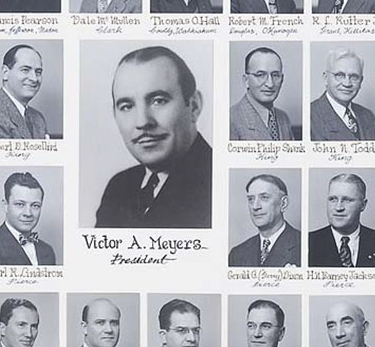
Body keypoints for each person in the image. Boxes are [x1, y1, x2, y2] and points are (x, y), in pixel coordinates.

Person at [96, 46, 212, 228]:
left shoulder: (215, 183)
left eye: (159, 100)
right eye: (127, 106)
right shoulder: (118, 188)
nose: (142, 121)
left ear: (194, 106)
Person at [308, 173, 375, 268]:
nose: (338, 208)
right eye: (333, 199)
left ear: (363, 205)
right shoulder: (309, 243)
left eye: (347, 200)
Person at [309, 47, 375, 141]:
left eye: (354, 77)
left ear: (361, 81)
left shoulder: (368, 116)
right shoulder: (310, 117)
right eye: (339, 75)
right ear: (326, 78)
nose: (347, 83)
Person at [228, 174, 301, 267]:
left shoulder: (302, 246)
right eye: (251, 199)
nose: (255, 206)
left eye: (264, 197)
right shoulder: (237, 254)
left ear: (283, 203)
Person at [0, 172, 57, 266]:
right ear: (5, 206)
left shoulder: (47, 251)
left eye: (35, 205)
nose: (28, 213)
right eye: (20, 204)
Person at [229, 47, 294, 141]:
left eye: (275, 75)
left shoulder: (283, 118)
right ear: (246, 80)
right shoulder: (230, 120)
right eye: (260, 75)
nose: (270, 84)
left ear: (282, 79)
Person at [0, 45, 50, 139]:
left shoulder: (38, 118)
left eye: (38, 72)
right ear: (5, 73)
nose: (34, 79)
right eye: (25, 70)